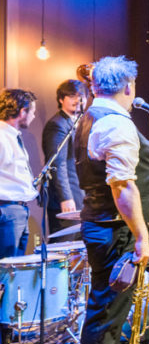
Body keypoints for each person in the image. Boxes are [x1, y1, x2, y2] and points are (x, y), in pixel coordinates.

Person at [74, 56, 149, 344]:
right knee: (106, 313)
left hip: (98, 223)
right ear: (127, 86)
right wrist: (141, 237)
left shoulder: (89, 116)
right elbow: (122, 187)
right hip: (111, 228)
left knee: (109, 310)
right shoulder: (117, 124)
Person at [43, 79, 86, 234]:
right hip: (67, 199)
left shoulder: (79, 122)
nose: (78, 100)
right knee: (65, 242)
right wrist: (65, 197)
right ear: (61, 99)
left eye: (81, 96)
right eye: (72, 96)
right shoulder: (58, 124)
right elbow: (57, 164)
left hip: (80, 195)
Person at [0, 88, 38, 257]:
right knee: (6, 271)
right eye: (33, 112)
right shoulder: (1, 137)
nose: (34, 116)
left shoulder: (12, 136)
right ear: (23, 111)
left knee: (14, 269)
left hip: (18, 210)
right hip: (7, 211)